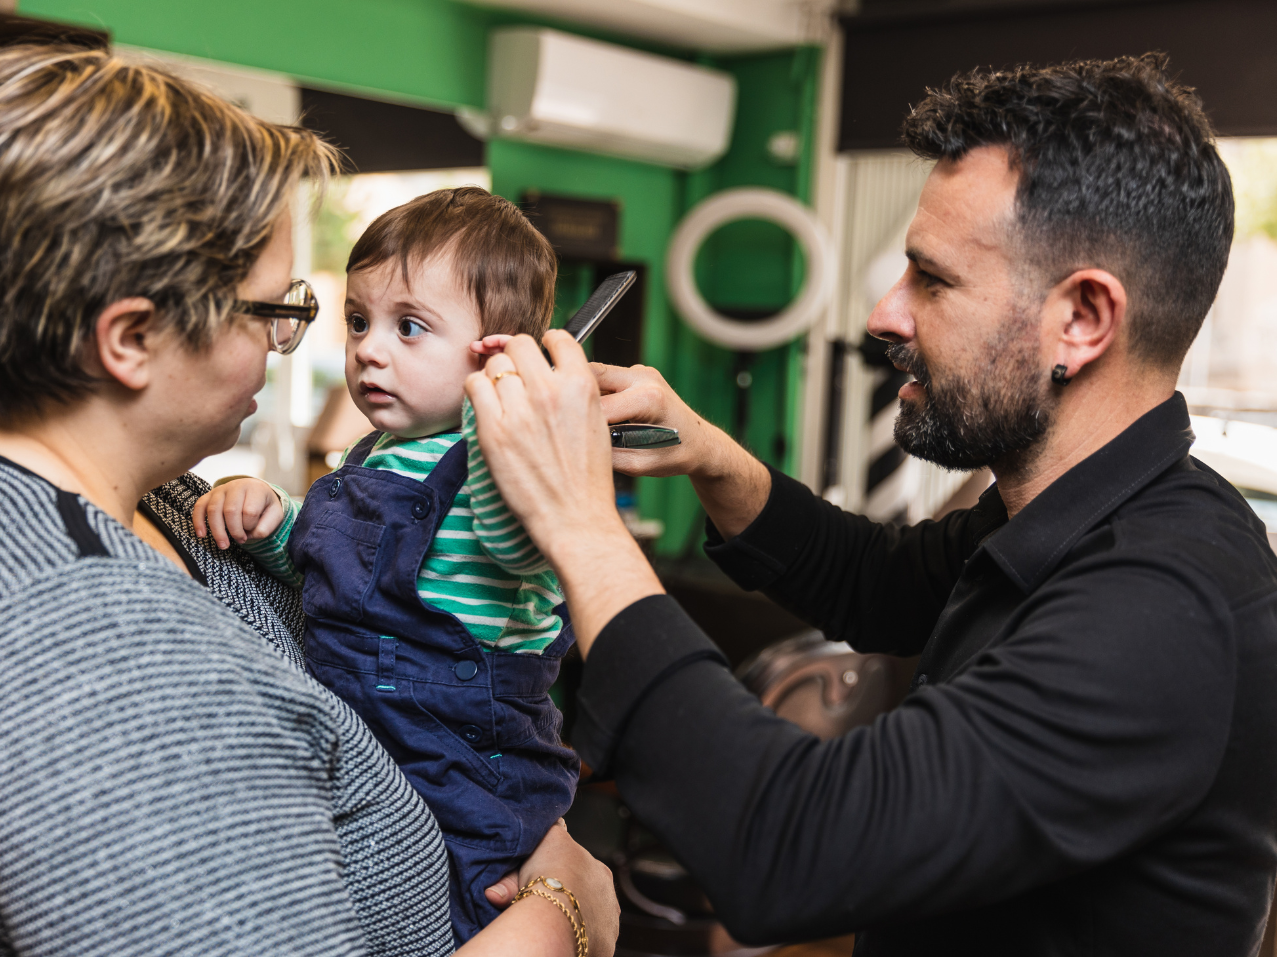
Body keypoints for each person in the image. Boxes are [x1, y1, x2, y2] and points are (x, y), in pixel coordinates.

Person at [463, 54, 1277, 956]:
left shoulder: (1163, 606)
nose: (886, 314)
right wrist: (712, 454)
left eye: (932, 280)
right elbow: (882, 580)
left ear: (1081, 319)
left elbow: (792, 845)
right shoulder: (1068, 516)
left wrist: (579, 522)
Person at [0, 43, 617, 956]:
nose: (305, 346)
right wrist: (564, 912)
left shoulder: (154, 497)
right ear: (131, 337)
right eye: (273, 314)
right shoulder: (100, 633)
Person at [194, 188, 578, 941]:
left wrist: (495, 414)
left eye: (410, 328)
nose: (370, 349)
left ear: (498, 349)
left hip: (469, 747)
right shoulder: (378, 454)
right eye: (360, 322)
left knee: (473, 903)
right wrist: (271, 516)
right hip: (374, 723)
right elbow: (330, 556)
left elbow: (520, 542)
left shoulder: (510, 459)